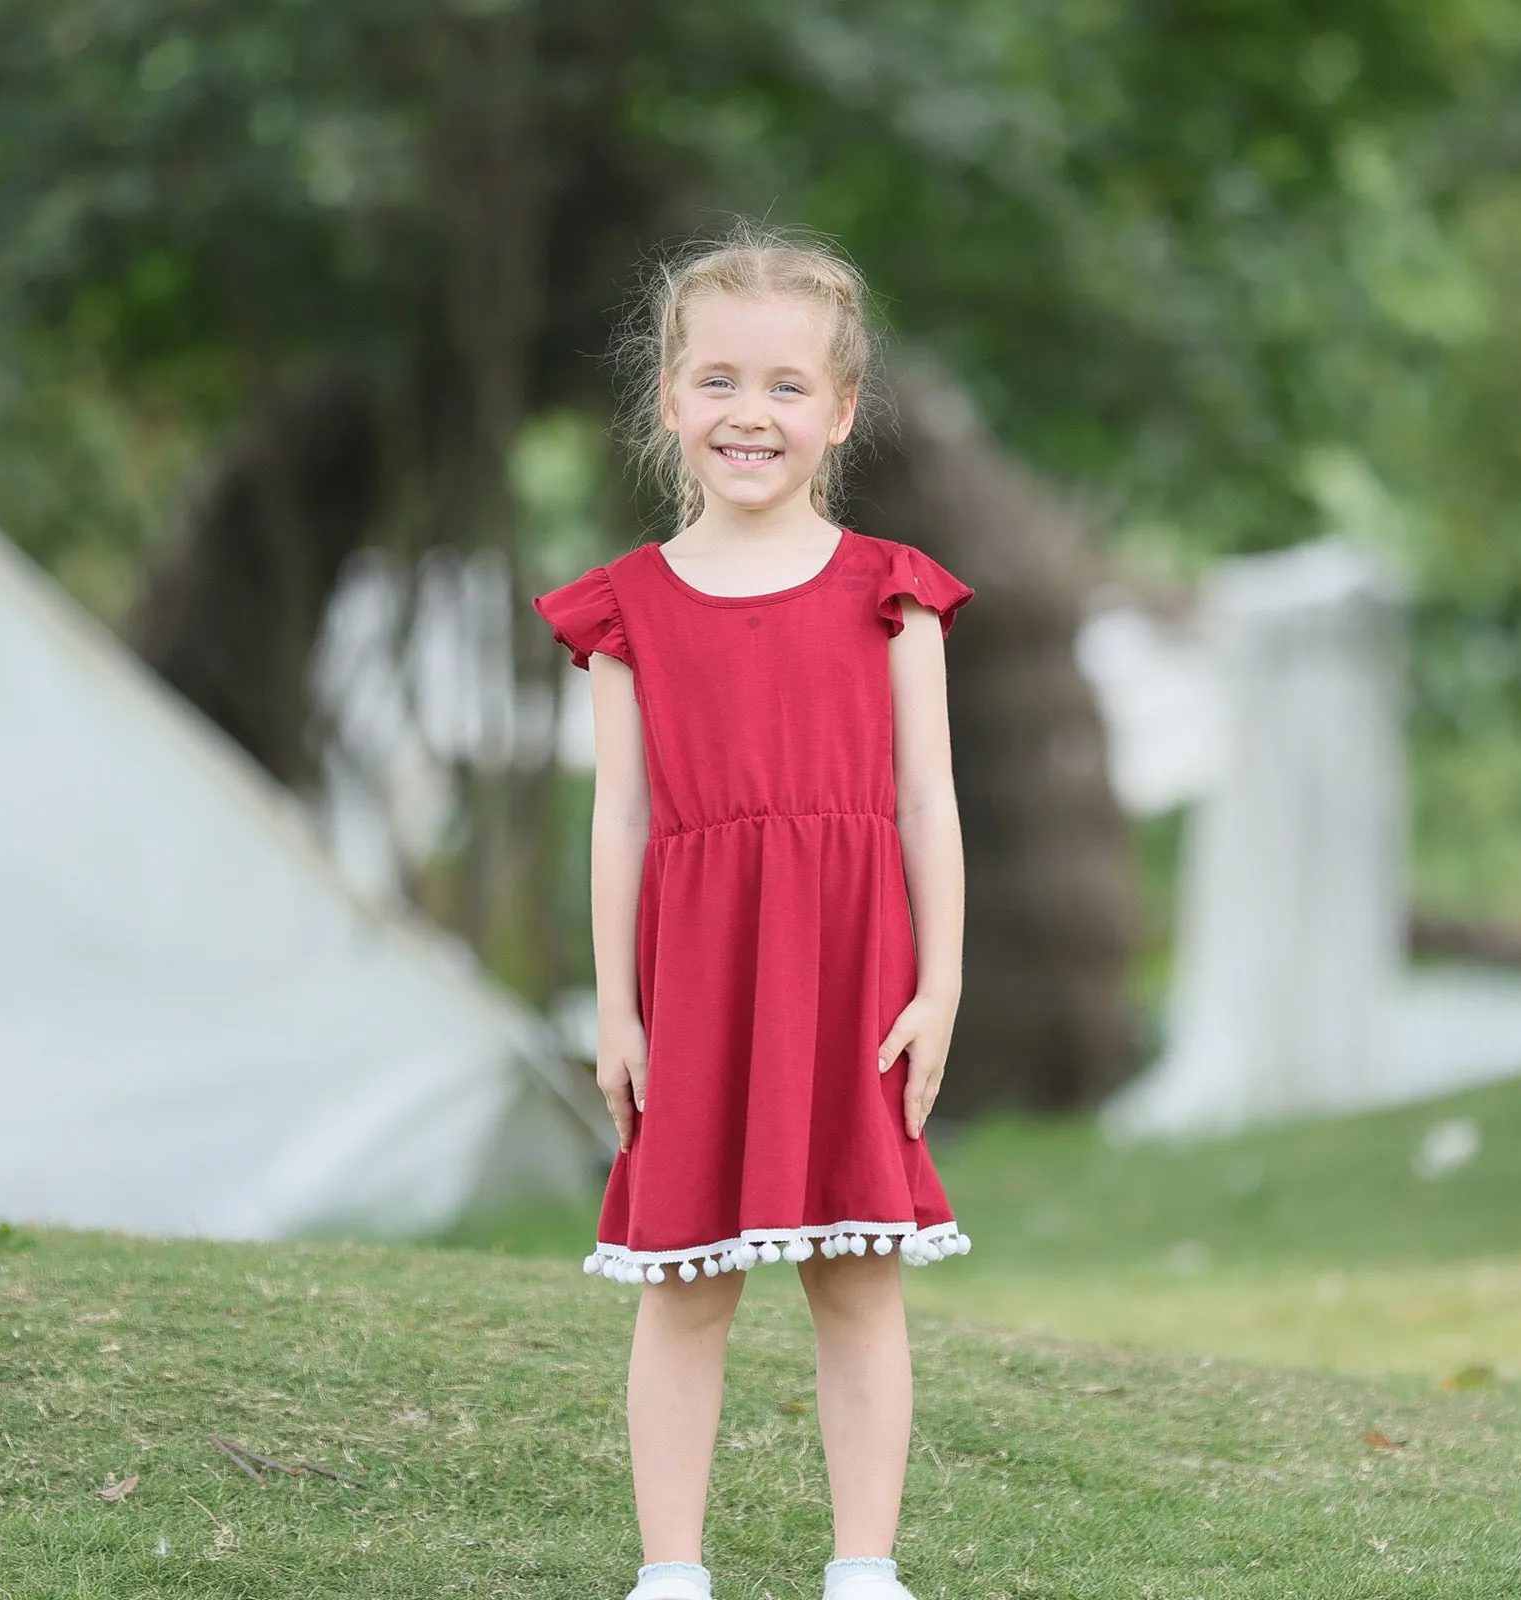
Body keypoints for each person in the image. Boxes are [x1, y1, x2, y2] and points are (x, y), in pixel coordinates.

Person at [532, 220, 975, 1600]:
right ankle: (673, 1572)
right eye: (718, 380)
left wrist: (942, 982)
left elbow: (926, 806)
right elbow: (622, 819)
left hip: (852, 975)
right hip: (702, 977)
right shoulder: (625, 611)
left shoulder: (891, 597)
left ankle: (864, 1567)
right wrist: (615, 1005)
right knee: (686, 1283)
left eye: (788, 386)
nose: (750, 414)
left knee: (857, 1275)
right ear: (669, 400)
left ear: (840, 414)